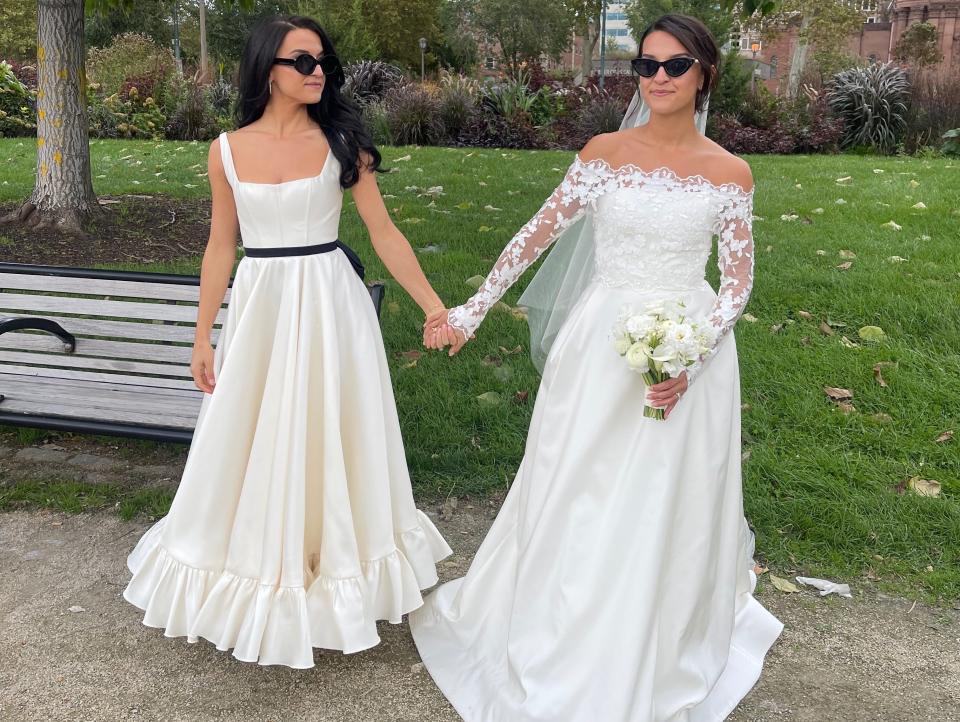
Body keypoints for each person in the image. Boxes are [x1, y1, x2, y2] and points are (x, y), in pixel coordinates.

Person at [414, 14, 783, 721]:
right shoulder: (605, 152)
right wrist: (471, 310)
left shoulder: (730, 172)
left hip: (686, 349)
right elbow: (535, 234)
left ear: (704, 72)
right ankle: (562, 628)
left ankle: (648, 635)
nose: (659, 79)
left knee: (662, 497)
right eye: (646, 66)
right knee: (574, 480)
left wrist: (691, 355)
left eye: (675, 66)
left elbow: (736, 284)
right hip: (599, 345)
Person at [123, 16, 451, 669]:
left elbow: (383, 233)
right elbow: (221, 244)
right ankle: (257, 563)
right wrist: (203, 335)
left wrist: (434, 306)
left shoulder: (341, 144)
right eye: (301, 61)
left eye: (322, 59)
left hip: (330, 306)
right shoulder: (225, 150)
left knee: (332, 430)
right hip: (262, 310)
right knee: (257, 433)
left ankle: (332, 563)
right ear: (266, 69)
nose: (318, 71)